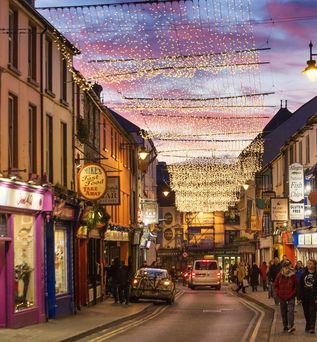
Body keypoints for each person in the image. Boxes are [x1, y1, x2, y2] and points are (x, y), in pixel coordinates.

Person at [274, 261, 296, 333]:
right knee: (283, 312)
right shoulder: (279, 275)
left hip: (291, 296)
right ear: (283, 267)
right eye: (286, 267)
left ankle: (291, 326)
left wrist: (292, 294)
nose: (287, 268)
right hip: (282, 296)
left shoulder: (293, 275)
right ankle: (285, 326)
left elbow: (296, 286)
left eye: (289, 266)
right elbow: (276, 285)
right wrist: (278, 293)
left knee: (291, 311)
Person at [297, 259, 317, 334]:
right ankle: (308, 324)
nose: (309, 265)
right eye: (308, 263)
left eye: (311, 264)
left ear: (314, 265)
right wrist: (299, 298)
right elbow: (300, 287)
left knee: (313, 312)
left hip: (313, 297)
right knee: (306, 312)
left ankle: (312, 327)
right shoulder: (304, 274)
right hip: (305, 297)